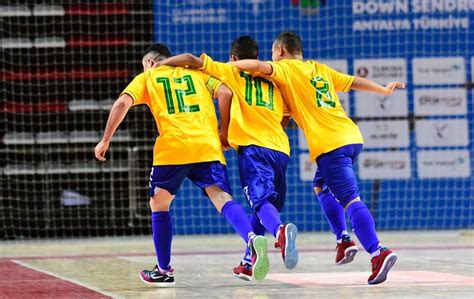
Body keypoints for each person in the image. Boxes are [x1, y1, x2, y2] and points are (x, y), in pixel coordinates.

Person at [230, 31, 405, 285]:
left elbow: (256, 66)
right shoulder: (318, 69)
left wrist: (223, 67)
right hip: (351, 136)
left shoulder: (286, 69)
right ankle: (343, 239)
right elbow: (354, 81)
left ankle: (378, 252)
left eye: (272, 53)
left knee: (351, 200)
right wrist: (383, 90)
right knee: (320, 185)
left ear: (279, 51)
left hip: (330, 145)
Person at [94, 43, 270, 286]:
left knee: (159, 203)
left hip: (173, 148)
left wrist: (105, 140)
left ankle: (164, 269)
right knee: (222, 198)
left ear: (149, 62)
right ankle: (250, 237)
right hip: (207, 145)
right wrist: (223, 132)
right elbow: (226, 93)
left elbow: (122, 103)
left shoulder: (148, 76)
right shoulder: (198, 74)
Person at [155, 36, 298, 281]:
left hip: (254, 148)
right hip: (281, 148)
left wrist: (161, 65)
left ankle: (280, 230)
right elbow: (287, 118)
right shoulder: (274, 78)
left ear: (234, 58)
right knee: (263, 205)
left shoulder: (232, 71)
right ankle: (248, 262)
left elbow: (190, 59)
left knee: (260, 202)